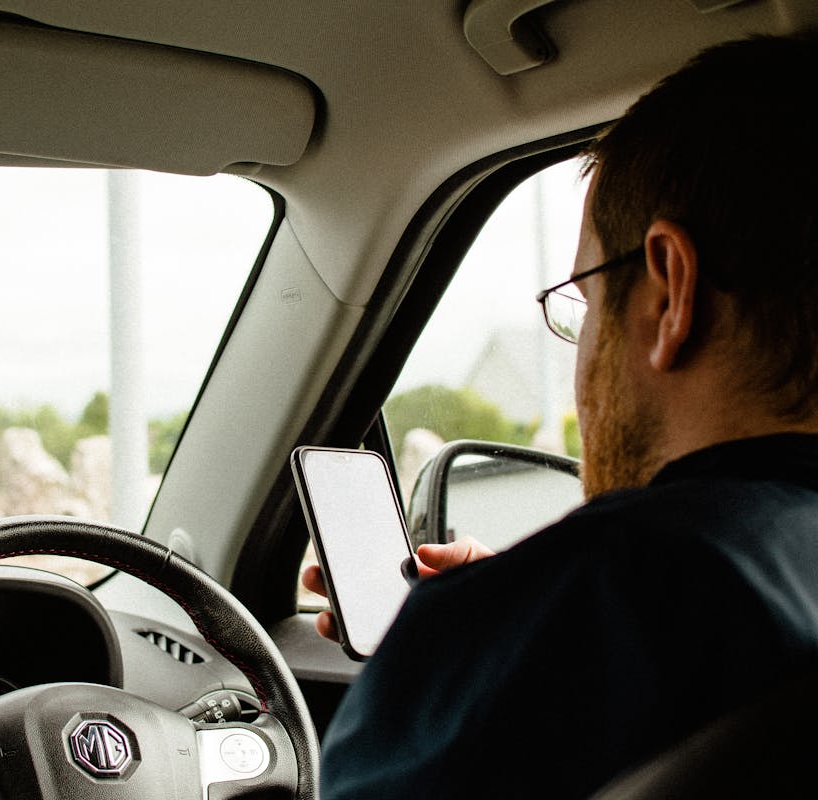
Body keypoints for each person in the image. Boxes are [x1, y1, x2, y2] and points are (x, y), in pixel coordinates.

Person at [309, 34, 818, 799]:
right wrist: (515, 608)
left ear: (671, 290)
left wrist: (496, 626)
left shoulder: (604, 599)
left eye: (583, 300)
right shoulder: (606, 608)